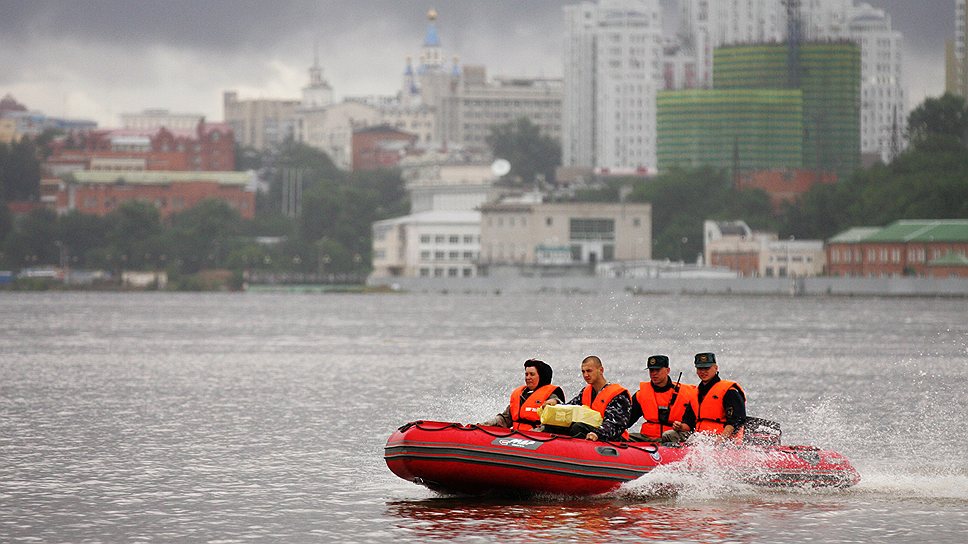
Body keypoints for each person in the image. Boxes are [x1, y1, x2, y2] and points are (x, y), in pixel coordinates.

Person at [662, 352, 746, 444]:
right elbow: (689, 423)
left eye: (707, 368)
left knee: (699, 441)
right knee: (668, 435)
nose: (703, 372)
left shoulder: (729, 391)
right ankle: (667, 455)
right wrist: (680, 426)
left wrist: (722, 439)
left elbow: (736, 420)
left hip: (722, 438)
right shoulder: (695, 393)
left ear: (716, 368)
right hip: (699, 436)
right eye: (700, 368)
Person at [544, 355, 630, 441]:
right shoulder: (586, 392)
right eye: (583, 372)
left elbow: (616, 424)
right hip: (590, 431)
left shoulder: (618, 395)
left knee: (578, 427)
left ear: (601, 370)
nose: (585, 375)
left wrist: (597, 433)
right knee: (553, 425)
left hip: (613, 437)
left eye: (589, 371)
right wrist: (556, 403)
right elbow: (569, 407)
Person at [626, 355, 697, 442]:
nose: (654, 373)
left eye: (657, 370)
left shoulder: (687, 393)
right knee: (622, 437)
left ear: (668, 370)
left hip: (671, 439)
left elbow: (693, 422)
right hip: (647, 439)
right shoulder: (641, 395)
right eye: (651, 370)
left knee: (668, 435)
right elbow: (627, 420)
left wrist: (681, 426)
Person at [480, 359, 564, 430]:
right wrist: (488, 424)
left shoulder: (551, 394)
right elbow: (505, 419)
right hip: (517, 437)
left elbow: (557, 402)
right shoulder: (520, 395)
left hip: (538, 437)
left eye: (532, 374)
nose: (528, 377)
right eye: (526, 374)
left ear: (541, 376)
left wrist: (553, 402)